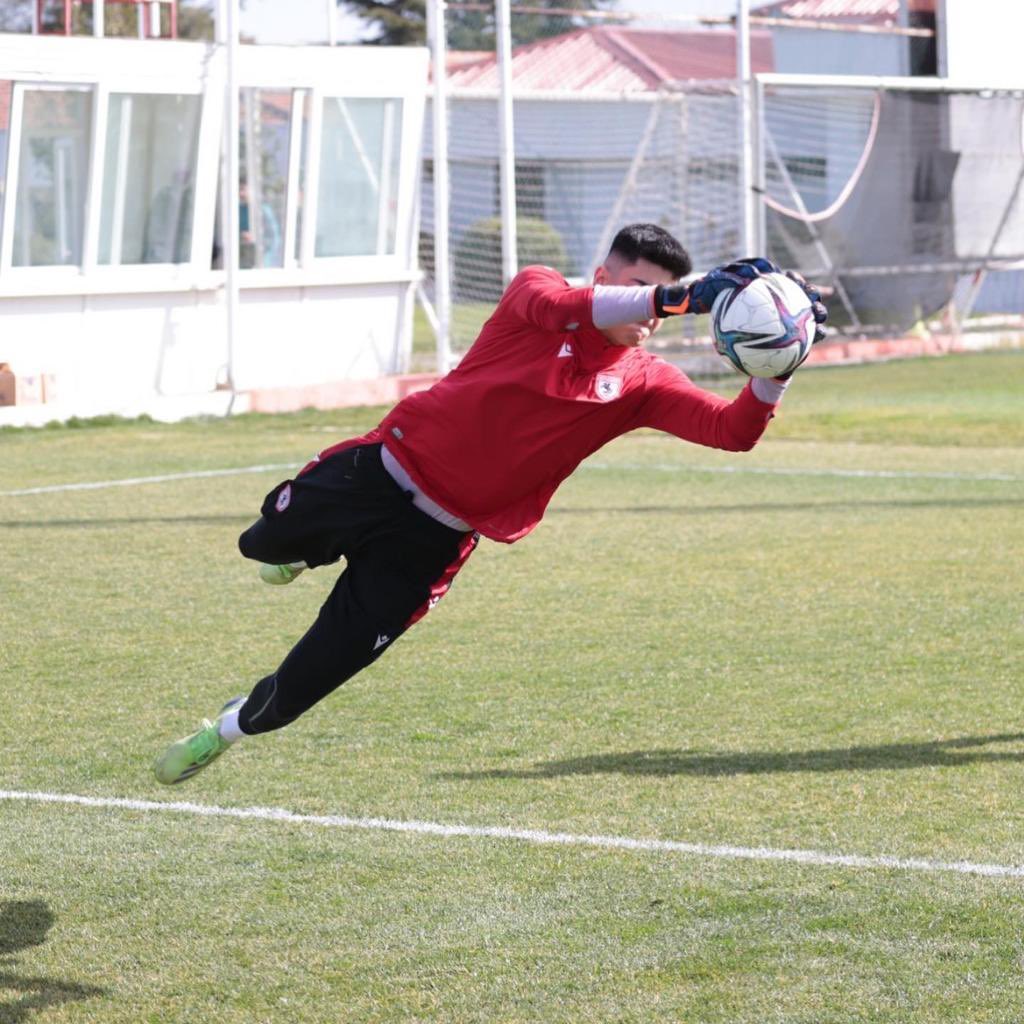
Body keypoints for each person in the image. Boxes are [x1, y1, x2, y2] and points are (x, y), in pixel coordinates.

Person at [153, 223, 827, 785]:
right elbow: (570, 308)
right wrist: (681, 296)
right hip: (378, 475)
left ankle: (227, 727)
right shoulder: (538, 292)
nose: (651, 315)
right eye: (640, 289)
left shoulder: (644, 383)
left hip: (435, 543)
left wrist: (779, 368)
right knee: (260, 545)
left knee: (301, 689)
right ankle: (303, 552)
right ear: (605, 275)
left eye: (662, 298)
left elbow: (733, 433)